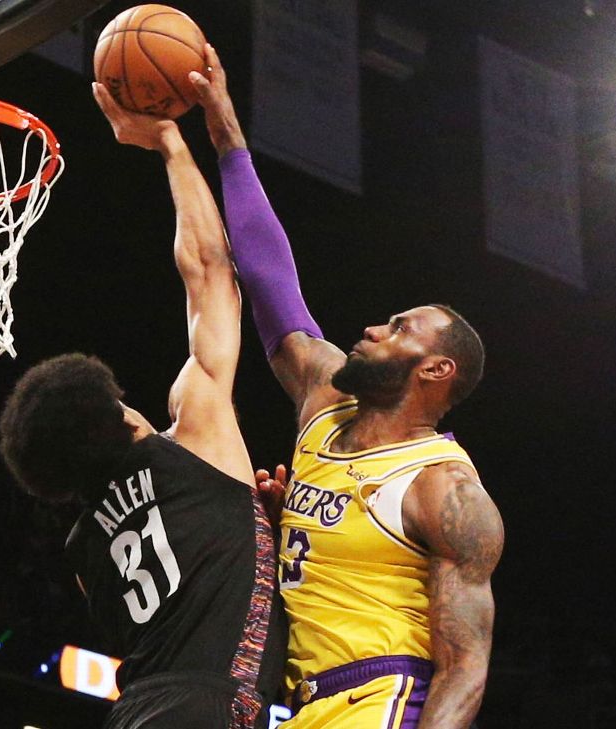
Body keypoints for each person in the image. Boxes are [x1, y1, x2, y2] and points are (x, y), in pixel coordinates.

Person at [188, 47, 504, 729]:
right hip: (306, 705)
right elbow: (272, 281)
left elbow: (466, 666)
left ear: (436, 369)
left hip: (384, 698)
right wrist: (226, 136)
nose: (371, 328)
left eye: (398, 328)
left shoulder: (445, 490)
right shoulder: (325, 400)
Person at [0, 82, 286, 728]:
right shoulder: (198, 426)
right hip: (199, 709)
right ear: (121, 412)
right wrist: (169, 143)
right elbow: (212, 272)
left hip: (141, 710)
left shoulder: (85, 555)